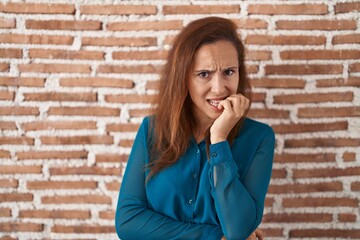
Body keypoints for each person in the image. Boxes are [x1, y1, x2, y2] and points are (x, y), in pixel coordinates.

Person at [115, 16, 275, 240]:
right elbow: (128, 221)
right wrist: (212, 236)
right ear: (183, 79)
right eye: (204, 74)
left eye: (229, 72)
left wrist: (219, 139)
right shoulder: (151, 130)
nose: (219, 88)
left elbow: (238, 230)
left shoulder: (259, 137)